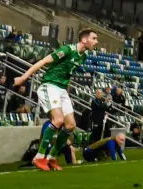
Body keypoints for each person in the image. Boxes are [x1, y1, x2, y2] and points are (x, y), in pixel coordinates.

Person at [14, 28, 98, 171]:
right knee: (58, 120)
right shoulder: (67, 50)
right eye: (94, 38)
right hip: (50, 85)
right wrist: (23, 77)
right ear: (84, 40)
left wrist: (66, 94)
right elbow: (43, 61)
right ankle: (39, 157)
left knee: (71, 125)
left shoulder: (83, 56)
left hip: (61, 90)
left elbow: (69, 74)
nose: (96, 42)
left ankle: (51, 158)